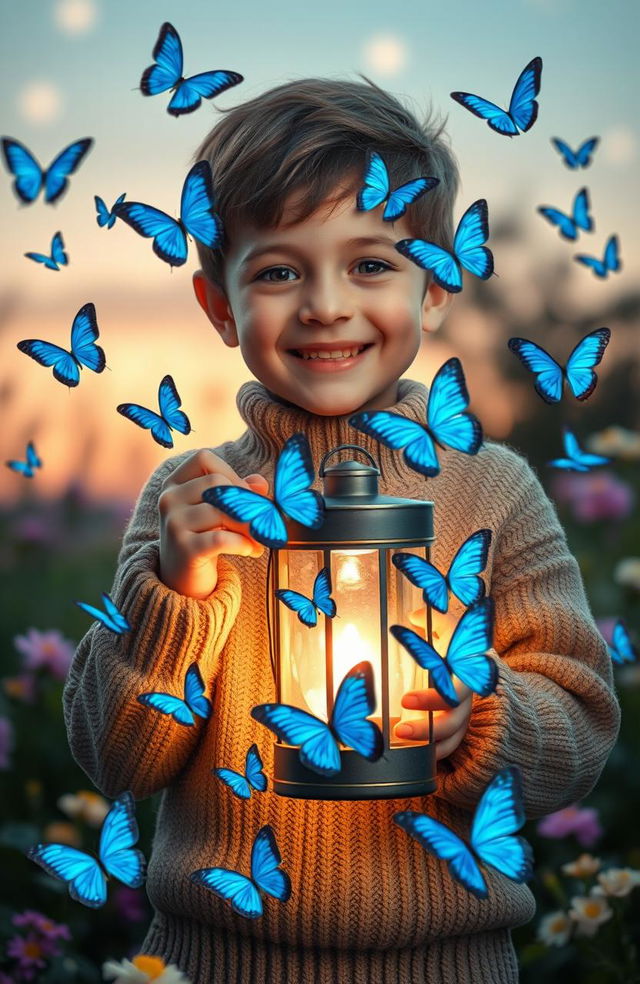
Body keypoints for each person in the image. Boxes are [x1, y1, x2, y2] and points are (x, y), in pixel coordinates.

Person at [63, 77, 620, 983]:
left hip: (447, 964)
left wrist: (478, 721)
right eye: (279, 271)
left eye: (370, 264)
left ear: (437, 286)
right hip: (216, 961)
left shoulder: (493, 491)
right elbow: (117, 756)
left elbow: (583, 722)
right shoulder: (193, 499)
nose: (326, 305)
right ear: (217, 305)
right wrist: (172, 599)